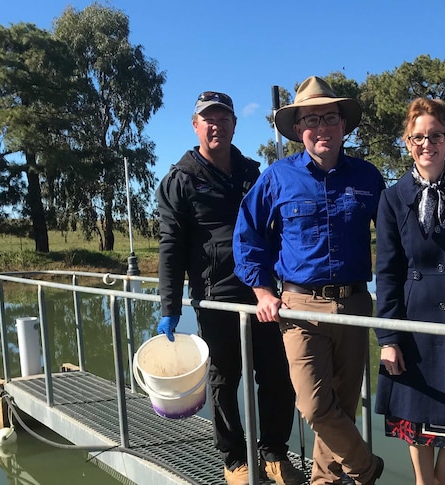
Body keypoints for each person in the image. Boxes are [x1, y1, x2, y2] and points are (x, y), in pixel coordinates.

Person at [233, 76, 386, 485]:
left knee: (342, 408)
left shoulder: (368, 178)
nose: (322, 127)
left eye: (330, 117)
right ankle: (367, 468)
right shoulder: (277, 177)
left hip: (355, 304)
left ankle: (325, 481)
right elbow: (247, 235)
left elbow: (396, 241)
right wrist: (263, 291)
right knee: (316, 408)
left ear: (343, 126)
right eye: (312, 119)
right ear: (299, 129)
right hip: (300, 308)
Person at [155, 91, 304, 485]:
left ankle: (273, 452)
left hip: (263, 292)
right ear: (195, 126)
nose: (216, 125)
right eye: (209, 119)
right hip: (215, 295)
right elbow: (170, 245)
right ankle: (235, 458)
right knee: (225, 377)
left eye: (224, 118)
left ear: (235, 125)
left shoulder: (253, 173)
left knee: (276, 372)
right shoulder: (180, 180)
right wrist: (170, 304)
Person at [374, 98, 445, 485]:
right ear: (407, 142)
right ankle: (425, 482)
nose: (427, 144)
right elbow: (387, 271)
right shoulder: (392, 198)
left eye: (435, 135)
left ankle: (438, 482)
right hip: (415, 324)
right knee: (416, 415)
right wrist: (388, 338)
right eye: (417, 137)